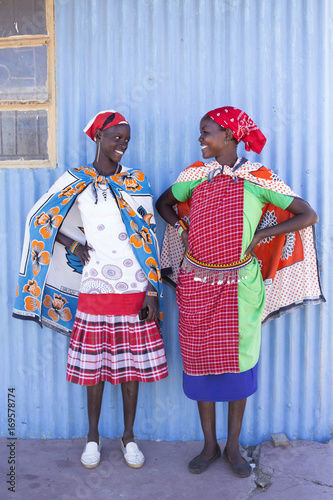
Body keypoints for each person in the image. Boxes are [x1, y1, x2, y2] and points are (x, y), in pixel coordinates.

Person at [156, 106, 324, 476]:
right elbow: (163, 203)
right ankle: (209, 445)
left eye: (207, 132)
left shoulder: (257, 178)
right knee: (199, 364)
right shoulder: (194, 176)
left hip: (239, 287)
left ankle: (233, 447)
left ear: (229, 136)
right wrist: (182, 227)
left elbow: (306, 214)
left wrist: (261, 235)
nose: (201, 139)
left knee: (238, 365)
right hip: (197, 285)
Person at [14, 110, 168, 469]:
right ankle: (93, 437)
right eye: (116, 137)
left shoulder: (136, 181)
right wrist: (71, 244)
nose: (122, 145)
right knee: (95, 368)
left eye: (126, 140)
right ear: (98, 137)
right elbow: (41, 218)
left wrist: (150, 290)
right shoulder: (77, 180)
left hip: (134, 284)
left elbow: (148, 235)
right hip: (97, 283)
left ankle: (129, 437)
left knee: (131, 368)